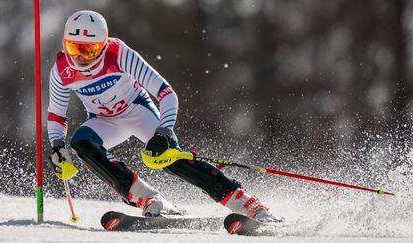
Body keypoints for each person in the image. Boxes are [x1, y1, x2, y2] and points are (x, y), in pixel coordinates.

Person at [47, 10, 280, 222]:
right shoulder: (61, 70)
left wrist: (164, 131)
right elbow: (57, 114)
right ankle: (149, 198)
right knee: (81, 143)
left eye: (90, 49)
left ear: (103, 44)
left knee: (170, 158)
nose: (81, 57)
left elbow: (166, 92)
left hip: (137, 110)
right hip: (104, 121)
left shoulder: (119, 54)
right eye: (74, 48)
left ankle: (245, 202)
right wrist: (57, 147)